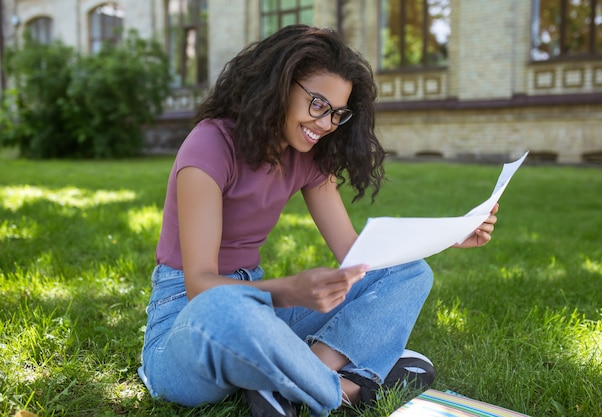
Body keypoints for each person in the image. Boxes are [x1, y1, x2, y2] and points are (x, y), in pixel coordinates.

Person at [137, 24, 498, 417]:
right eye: (318, 105)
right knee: (227, 308)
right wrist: (290, 291)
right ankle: (347, 387)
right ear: (279, 85)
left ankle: (300, 380)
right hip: (189, 322)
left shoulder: (309, 156)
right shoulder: (210, 145)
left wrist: (445, 236)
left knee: (409, 273)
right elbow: (200, 288)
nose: (326, 124)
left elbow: (359, 256)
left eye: (337, 114)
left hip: (260, 311)